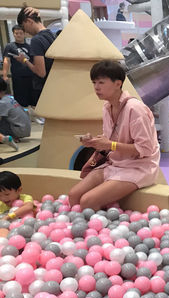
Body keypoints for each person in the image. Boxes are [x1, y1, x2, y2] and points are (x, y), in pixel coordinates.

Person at [68, 60, 160, 210]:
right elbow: (109, 141)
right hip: (115, 163)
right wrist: (94, 142)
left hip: (138, 167)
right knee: (74, 195)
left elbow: (145, 149)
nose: (96, 87)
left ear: (118, 84)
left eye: (101, 82)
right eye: (94, 82)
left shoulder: (135, 109)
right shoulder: (107, 107)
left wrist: (110, 145)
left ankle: (97, 225)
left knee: (87, 201)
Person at [16, 7, 56, 107]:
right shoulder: (52, 35)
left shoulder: (36, 40)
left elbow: (41, 72)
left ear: (29, 21)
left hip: (44, 89)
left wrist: (24, 60)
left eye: (23, 27)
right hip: (54, 85)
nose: (25, 31)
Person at [2, 25, 33, 108]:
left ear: (24, 34)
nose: (18, 35)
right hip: (18, 77)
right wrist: (5, 75)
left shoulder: (30, 47)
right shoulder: (10, 46)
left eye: (20, 33)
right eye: (16, 33)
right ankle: (22, 113)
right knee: (20, 100)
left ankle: (32, 113)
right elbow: (6, 60)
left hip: (31, 76)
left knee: (32, 99)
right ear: (13, 34)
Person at [0, 78, 31, 149]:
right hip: (25, 128)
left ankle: (5, 138)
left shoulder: (2, 103)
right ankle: (12, 137)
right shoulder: (9, 98)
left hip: (18, 130)